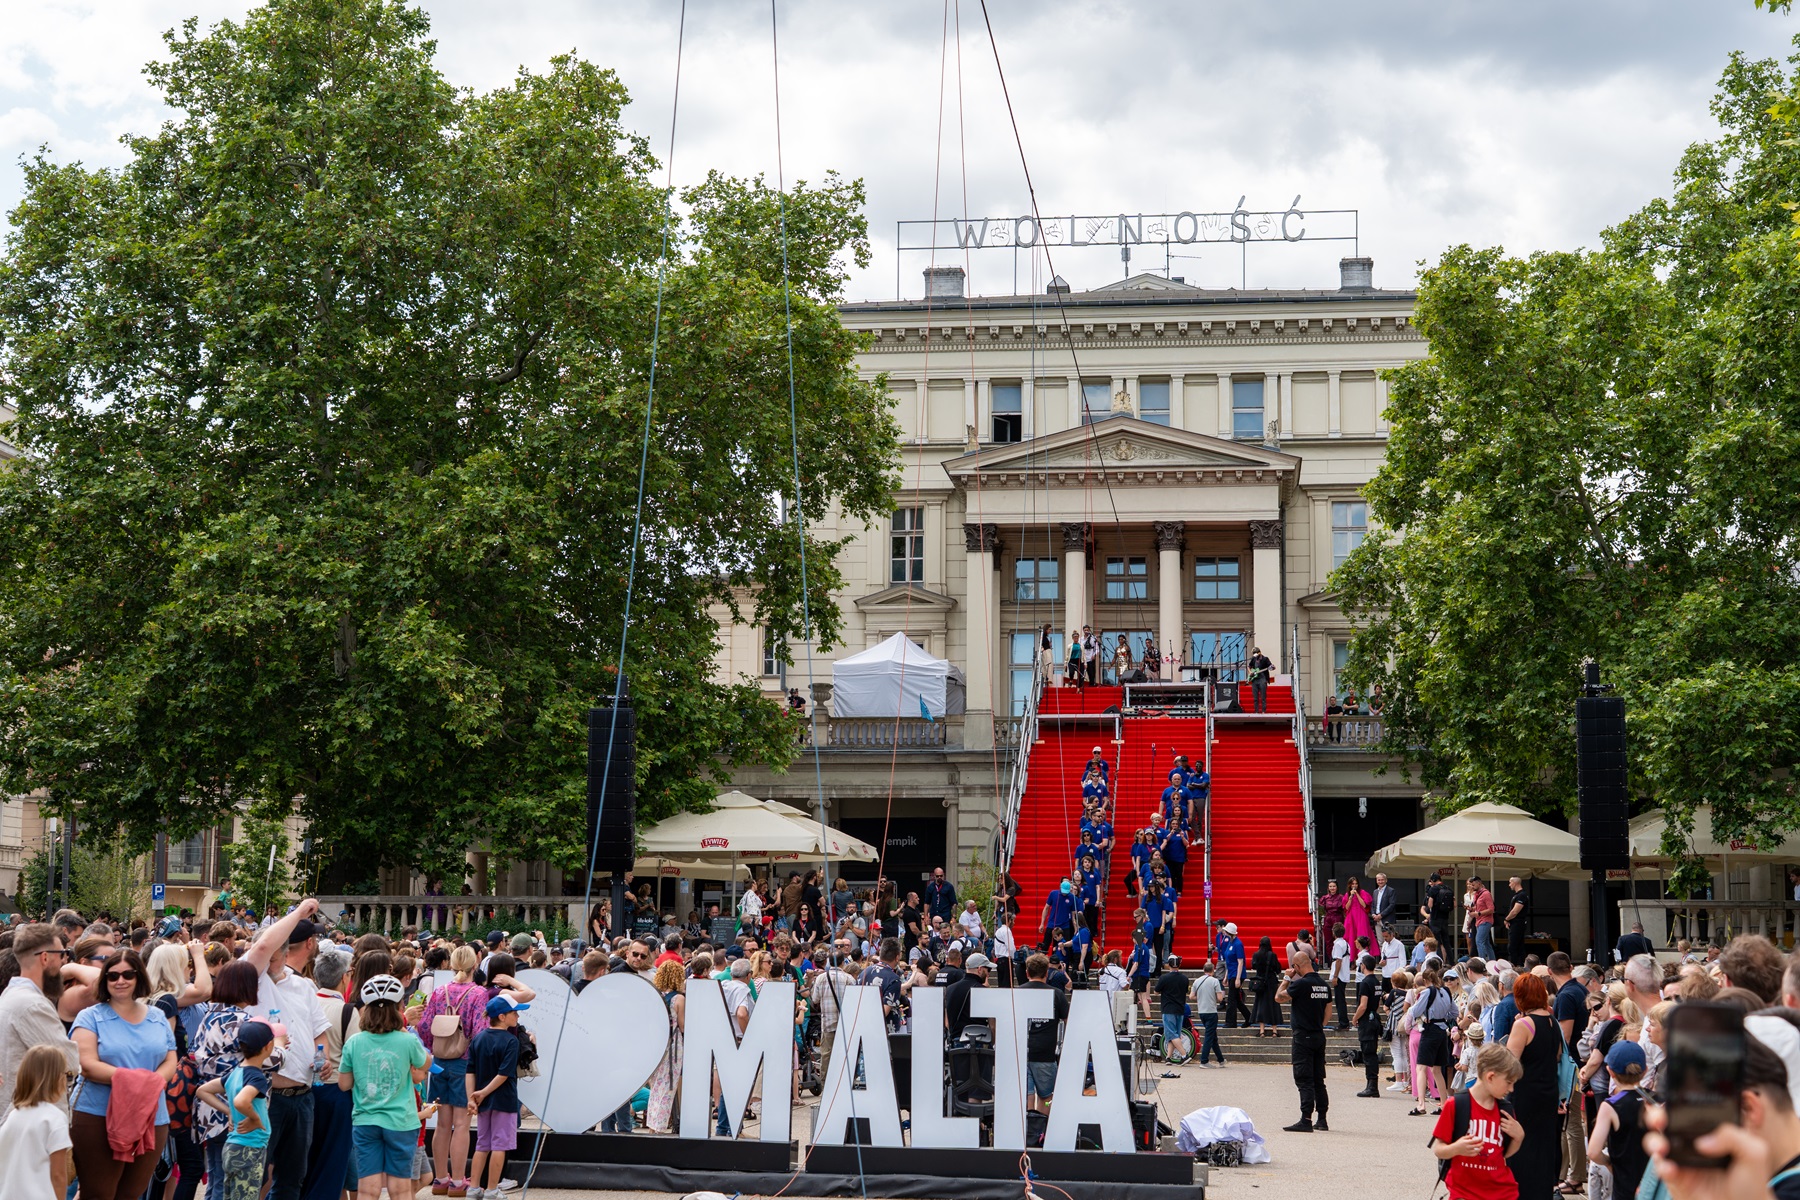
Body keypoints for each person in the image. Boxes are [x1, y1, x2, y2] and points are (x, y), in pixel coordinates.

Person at [71, 947, 179, 1200]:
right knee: (98, 1193)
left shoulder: (158, 1015)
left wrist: (150, 1083)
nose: (120, 981)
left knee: (131, 1194)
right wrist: (142, 1081)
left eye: (128, 975)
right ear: (104, 979)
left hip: (152, 1115)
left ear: (138, 977)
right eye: (112, 975)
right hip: (96, 1114)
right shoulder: (90, 1016)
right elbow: (86, 1064)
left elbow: (170, 1058)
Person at [418, 944, 489, 1197]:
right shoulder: (478, 993)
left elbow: (425, 1026)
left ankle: (440, 1179)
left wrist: (433, 1047)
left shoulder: (439, 991)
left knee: (442, 1124)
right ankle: (458, 1181)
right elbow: (481, 1032)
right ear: (474, 965)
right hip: (464, 1062)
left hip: (438, 1062)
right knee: (461, 1125)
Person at [0, 923, 77, 1127]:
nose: (65, 960)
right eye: (62, 954)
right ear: (45, 958)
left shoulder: (13, 996)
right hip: (33, 1125)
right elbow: (69, 1062)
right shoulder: (32, 1005)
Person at [1431, 1042, 1525, 1200]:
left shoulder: (1505, 1110)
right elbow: (1438, 1149)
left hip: (1501, 1193)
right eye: (1509, 1083)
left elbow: (1503, 1154)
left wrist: (1518, 1137)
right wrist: (1456, 1148)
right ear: (1491, 1077)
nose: (1511, 1089)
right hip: (1464, 1193)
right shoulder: (1456, 1105)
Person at [196, 1020, 275, 1200]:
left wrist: (228, 1111)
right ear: (268, 1046)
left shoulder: (236, 1072)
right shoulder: (256, 1077)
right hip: (250, 1149)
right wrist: (255, 1119)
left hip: (232, 1148)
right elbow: (241, 1101)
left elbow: (203, 1090)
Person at [1505, 973, 1564, 1200]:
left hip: (1525, 1092)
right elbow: (1557, 1055)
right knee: (1544, 1146)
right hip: (1548, 1091)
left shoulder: (1523, 1024)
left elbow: (1509, 1063)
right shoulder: (1552, 1022)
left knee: (1522, 1146)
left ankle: (1522, 1192)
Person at [466, 996, 525, 1199]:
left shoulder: (478, 1038)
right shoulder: (511, 1040)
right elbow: (504, 1073)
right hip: (504, 1100)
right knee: (500, 1145)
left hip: (483, 1103)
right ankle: (492, 1189)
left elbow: (470, 1071)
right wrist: (482, 1093)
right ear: (502, 1016)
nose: (518, 1015)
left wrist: (472, 1098)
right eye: (514, 1012)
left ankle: (474, 1188)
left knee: (482, 1144)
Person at [0, 1042, 76, 1200]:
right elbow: (58, 1175)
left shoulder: (14, 1115)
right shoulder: (54, 1118)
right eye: (66, 1074)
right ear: (56, 1079)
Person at [1586, 1040, 1648, 1200]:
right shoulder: (1655, 1100)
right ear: (1645, 1070)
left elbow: (1593, 1151)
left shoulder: (1611, 1105)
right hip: (1652, 1181)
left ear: (1610, 1072)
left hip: (1624, 1183)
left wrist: (1608, 1162)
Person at [1277, 950, 1331, 1132]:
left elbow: (1278, 997)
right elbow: (1328, 1012)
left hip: (1302, 1036)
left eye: (1294, 966)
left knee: (1304, 1078)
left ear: (1297, 966)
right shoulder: (1324, 985)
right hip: (1318, 1034)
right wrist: (1319, 1026)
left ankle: (1306, 1118)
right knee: (1318, 1079)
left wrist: (1286, 977)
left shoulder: (1301, 984)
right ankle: (1322, 1119)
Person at [1020, 955, 1069, 1115]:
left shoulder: (1017, 992)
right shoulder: (1057, 994)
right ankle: (1041, 1131)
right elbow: (1068, 1021)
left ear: (1027, 972)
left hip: (1021, 1051)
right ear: (1046, 973)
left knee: (1026, 1096)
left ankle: (1026, 1133)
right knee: (1046, 1097)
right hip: (1046, 1052)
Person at [1408, 966, 1459, 1117]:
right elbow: (1454, 1013)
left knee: (1421, 1068)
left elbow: (1415, 1011)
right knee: (1437, 1069)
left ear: (1425, 980)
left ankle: (1421, 1104)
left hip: (1430, 1029)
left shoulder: (1427, 992)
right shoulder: (1446, 991)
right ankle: (1444, 1103)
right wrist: (1443, 1015)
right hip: (1442, 1029)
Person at [1352, 953, 1385, 1097]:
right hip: (1374, 1018)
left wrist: (1355, 1018)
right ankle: (1371, 1084)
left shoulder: (1365, 983)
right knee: (1370, 1052)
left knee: (1368, 1053)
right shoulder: (1376, 982)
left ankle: (1372, 1086)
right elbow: (1377, 1003)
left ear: (1363, 966)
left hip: (1367, 1021)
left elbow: (1363, 1005)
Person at [1191, 963, 1225, 1067]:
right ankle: (1204, 1060)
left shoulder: (1197, 981)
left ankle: (1221, 1059)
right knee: (1209, 1036)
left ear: (1203, 969)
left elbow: (1192, 996)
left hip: (1202, 1011)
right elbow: (1220, 998)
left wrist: (1201, 997)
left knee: (1212, 1036)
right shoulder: (1214, 981)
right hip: (1211, 1011)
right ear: (1213, 970)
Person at [1156, 959, 1190, 1061]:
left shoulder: (1164, 978)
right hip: (1180, 1008)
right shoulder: (1184, 979)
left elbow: (1156, 991)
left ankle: (1184, 1055)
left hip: (1168, 1008)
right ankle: (1168, 1057)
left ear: (1169, 965)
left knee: (1171, 1034)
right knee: (1175, 1034)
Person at [1468, 876, 1496, 962]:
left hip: (1485, 921)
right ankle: (1492, 961)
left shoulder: (1486, 894)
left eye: (1473, 885)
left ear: (1479, 883)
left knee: (1479, 941)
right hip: (1479, 921)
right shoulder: (1478, 894)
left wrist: (1478, 913)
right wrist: (1472, 909)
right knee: (1486, 943)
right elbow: (1480, 906)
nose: (1472, 887)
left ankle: (1482, 962)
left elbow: (1491, 909)